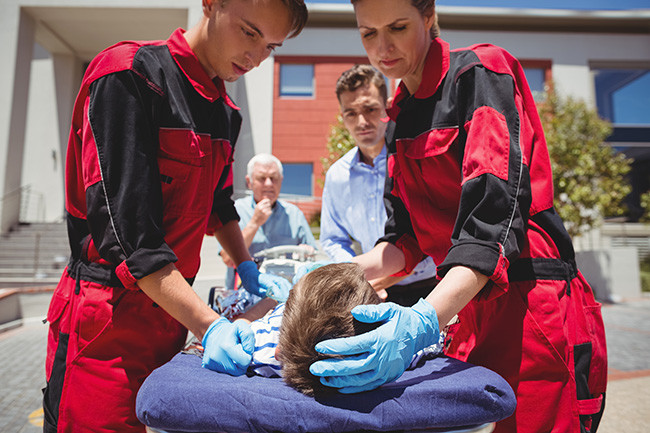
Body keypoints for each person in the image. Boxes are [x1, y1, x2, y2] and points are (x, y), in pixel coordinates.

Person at [305, 1, 608, 432]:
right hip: (465, 312)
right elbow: (404, 243)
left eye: (397, 27)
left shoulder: (481, 72)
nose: (383, 47)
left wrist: (424, 319)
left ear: (428, 17)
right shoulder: (399, 120)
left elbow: (492, 219)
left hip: (531, 309)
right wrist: (325, 276)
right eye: (368, 33)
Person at [41, 1, 307, 432]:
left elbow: (219, 205)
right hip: (107, 322)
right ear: (211, 4)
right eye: (250, 33)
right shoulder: (130, 76)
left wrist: (246, 265)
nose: (256, 59)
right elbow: (131, 241)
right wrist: (211, 327)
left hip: (171, 315)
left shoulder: (225, 111)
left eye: (271, 48)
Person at [228, 263, 441, 396]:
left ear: (279, 352)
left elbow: (240, 330)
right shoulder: (393, 350)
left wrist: (239, 323)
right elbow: (429, 344)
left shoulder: (257, 347)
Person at [320, 64, 436, 306]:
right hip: (369, 292)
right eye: (351, 113)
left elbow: (434, 235)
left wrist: (382, 277)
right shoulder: (337, 175)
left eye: (370, 109)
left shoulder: (414, 162)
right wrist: (355, 274)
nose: (362, 121)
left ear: (387, 107)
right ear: (342, 117)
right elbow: (333, 239)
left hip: (430, 289)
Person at [219, 153, 317, 290]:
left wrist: (307, 250)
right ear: (249, 182)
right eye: (261, 178)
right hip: (245, 293)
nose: (269, 184)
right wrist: (254, 223)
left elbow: (312, 255)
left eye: (274, 178)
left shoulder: (294, 214)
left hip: (286, 294)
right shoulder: (236, 210)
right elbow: (228, 259)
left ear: (281, 180)